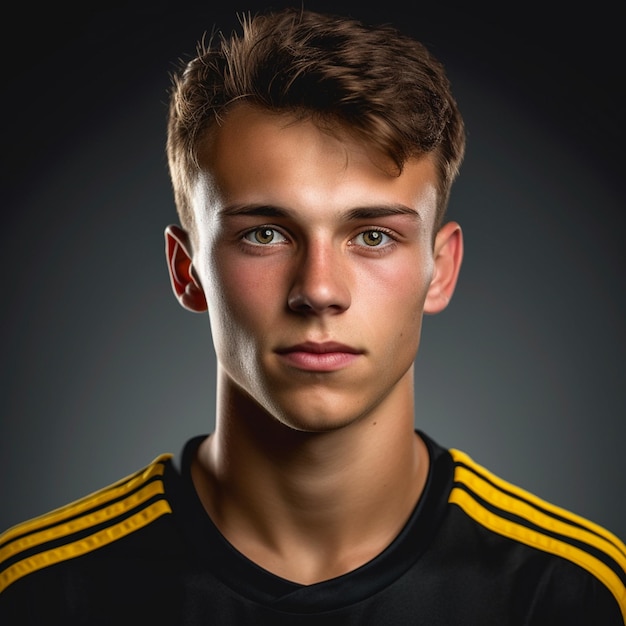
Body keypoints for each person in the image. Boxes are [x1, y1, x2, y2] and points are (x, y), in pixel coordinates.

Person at [1, 6, 624, 624]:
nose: (319, 290)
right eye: (265, 234)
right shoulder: (37, 595)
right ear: (188, 270)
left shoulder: (574, 595)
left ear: (442, 268)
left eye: (374, 236)